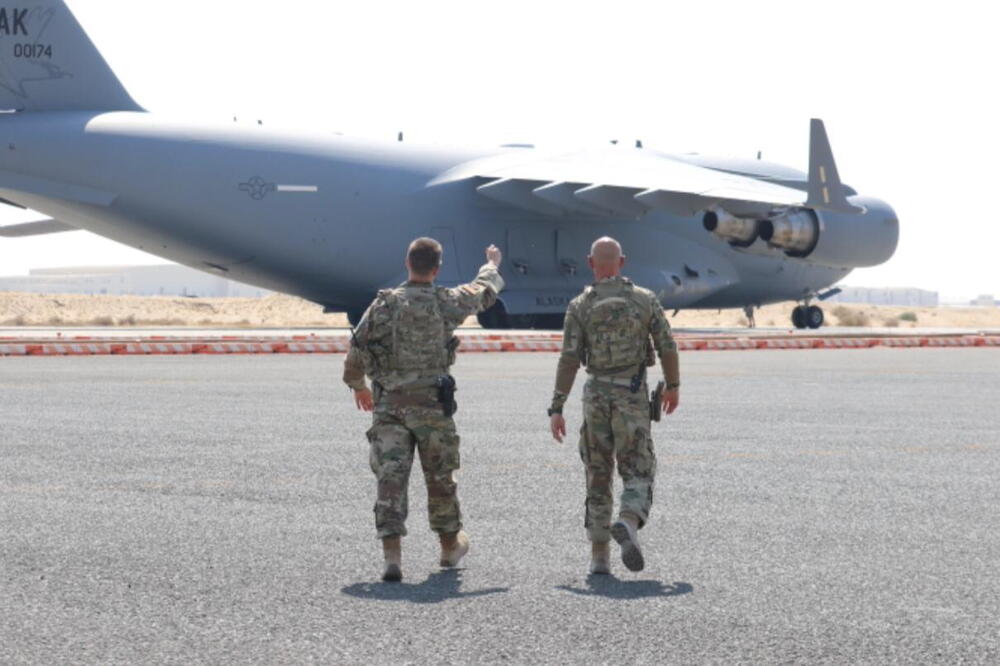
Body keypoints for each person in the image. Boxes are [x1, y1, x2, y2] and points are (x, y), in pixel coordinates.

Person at [344, 238, 504, 582]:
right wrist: (491, 264)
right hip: (432, 408)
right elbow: (482, 292)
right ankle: (449, 546)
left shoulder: (384, 304)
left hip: (390, 407)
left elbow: (358, 344)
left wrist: (358, 384)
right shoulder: (446, 301)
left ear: (407, 262)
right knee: (440, 477)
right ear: (437, 269)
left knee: (391, 478)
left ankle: (392, 556)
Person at [548, 237, 680, 575]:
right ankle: (628, 519)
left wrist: (557, 407)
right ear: (622, 261)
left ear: (590, 263)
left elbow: (569, 360)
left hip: (595, 398)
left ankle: (599, 557)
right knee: (638, 467)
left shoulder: (580, 305)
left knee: (597, 474)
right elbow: (667, 345)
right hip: (631, 396)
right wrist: (673, 385)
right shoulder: (645, 300)